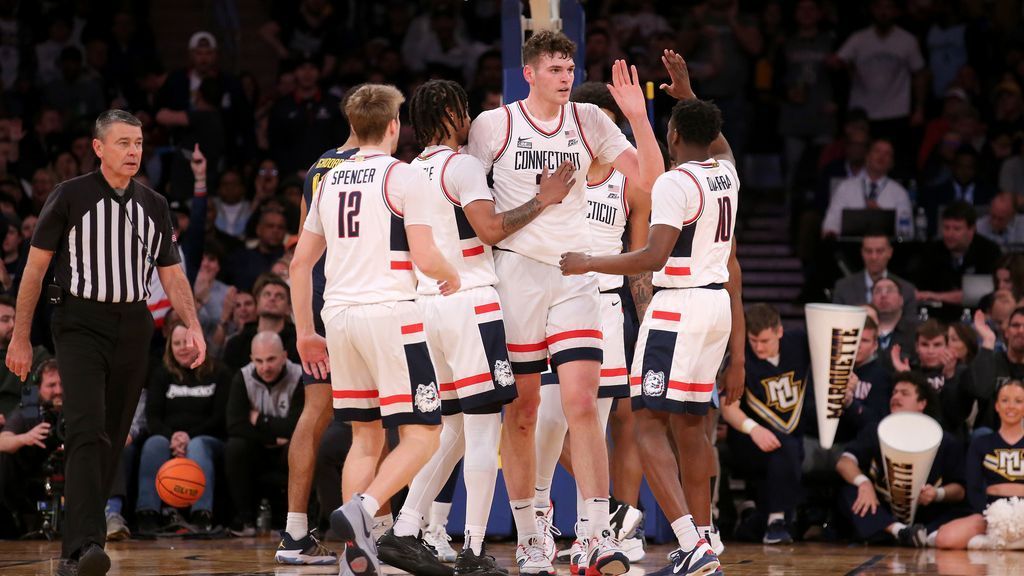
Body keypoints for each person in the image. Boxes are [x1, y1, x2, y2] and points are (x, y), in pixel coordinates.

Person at [464, 30, 663, 576]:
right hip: (517, 274)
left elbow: (653, 179)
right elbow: (463, 196)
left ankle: (595, 534)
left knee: (583, 406)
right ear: (527, 74)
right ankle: (531, 532)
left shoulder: (591, 121)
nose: (565, 76)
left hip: (575, 275)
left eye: (569, 68)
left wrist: (637, 117)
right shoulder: (493, 125)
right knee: (523, 412)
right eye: (554, 69)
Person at [5, 109, 206, 576]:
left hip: (134, 323)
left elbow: (172, 274)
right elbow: (34, 270)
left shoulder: (154, 204)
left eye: (138, 143)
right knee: (84, 426)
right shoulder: (69, 196)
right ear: (99, 148)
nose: (133, 151)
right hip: (78, 321)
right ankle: (81, 548)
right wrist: (19, 336)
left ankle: (84, 540)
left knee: (114, 435)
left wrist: (192, 325)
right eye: (122, 143)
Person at [560, 54, 738, 575]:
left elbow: (652, 257)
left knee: (643, 423)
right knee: (691, 426)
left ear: (675, 133)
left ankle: (687, 541)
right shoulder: (725, 173)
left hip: (679, 306)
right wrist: (686, 92)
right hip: (716, 306)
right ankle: (704, 537)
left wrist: (590, 261)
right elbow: (720, 142)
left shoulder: (675, 183)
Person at [383, 78, 564, 576]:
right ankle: (473, 549)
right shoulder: (461, 167)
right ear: (449, 111)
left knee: (453, 431)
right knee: (485, 434)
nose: (469, 119)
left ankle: (404, 529)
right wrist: (544, 199)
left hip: (428, 305)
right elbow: (489, 229)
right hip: (470, 301)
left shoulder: (407, 172)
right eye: (463, 110)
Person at [290, 83, 460, 576]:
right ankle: (364, 508)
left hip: (338, 318)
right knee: (426, 432)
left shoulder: (330, 181)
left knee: (365, 438)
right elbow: (426, 257)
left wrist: (305, 332)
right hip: (390, 313)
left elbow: (300, 265)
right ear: (393, 126)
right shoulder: (404, 176)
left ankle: (355, 555)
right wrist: (452, 274)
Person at [530, 79, 653, 571]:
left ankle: (591, 532)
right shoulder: (555, 170)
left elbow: (640, 259)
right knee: (548, 422)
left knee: (596, 423)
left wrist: (645, 323)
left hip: (604, 306)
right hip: (551, 301)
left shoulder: (631, 182)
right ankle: (539, 511)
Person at [274, 117, 362, 567]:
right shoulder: (376, 165)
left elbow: (303, 248)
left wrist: (304, 323)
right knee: (382, 419)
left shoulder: (319, 167)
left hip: (320, 297)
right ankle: (380, 531)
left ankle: (293, 532)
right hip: (356, 299)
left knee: (316, 413)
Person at [836, 372, 967, 547]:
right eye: (894, 392)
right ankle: (900, 532)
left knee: (962, 511)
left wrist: (937, 494)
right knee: (849, 492)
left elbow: (960, 491)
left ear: (922, 403)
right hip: (883, 511)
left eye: (904, 393)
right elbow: (844, 462)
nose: (896, 397)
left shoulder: (945, 440)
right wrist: (864, 483)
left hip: (927, 514)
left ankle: (923, 535)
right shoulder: (876, 430)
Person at [720, 304, 806, 545]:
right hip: (747, 438)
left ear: (779, 332)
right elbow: (729, 409)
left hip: (791, 438)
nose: (758, 347)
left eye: (765, 341)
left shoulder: (800, 343)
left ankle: (759, 519)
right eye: (753, 340)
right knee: (787, 445)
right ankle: (776, 521)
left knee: (790, 445)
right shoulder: (739, 358)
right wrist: (753, 429)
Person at [135, 321, 230, 535]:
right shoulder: (161, 374)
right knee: (153, 443)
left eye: (186, 342)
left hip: (208, 439)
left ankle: (201, 514)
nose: (182, 347)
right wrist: (173, 437)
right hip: (169, 437)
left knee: (197, 445)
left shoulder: (220, 373)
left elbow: (220, 418)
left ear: (199, 342)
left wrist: (188, 437)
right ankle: (147, 513)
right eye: (176, 343)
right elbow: (153, 417)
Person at [225, 331, 304, 535]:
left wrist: (259, 419)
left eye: (271, 359)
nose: (265, 367)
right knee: (235, 447)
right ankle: (245, 520)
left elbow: (297, 426)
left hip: (288, 447)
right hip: (258, 448)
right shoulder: (242, 377)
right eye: (259, 361)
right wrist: (270, 437)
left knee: (301, 446)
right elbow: (234, 426)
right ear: (252, 359)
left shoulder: (300, 377)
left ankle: (295, 521)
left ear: (284, 356)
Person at [935, 380, 1024, 549]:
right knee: (945, 538)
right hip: (990, 513)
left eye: (1018, 401)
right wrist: (990, 515)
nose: (1010, 406)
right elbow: (973, 487)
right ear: (997, 406)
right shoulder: (981, 444)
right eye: (1005, 400)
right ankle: (1008, 541)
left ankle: (999, 542)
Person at [0, 359, 63, 537]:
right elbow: (2, 441)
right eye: (51, 385)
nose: (58, 391)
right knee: (5, 457)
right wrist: (26, 437)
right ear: (38, 389)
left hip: (76, 465)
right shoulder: (31, 407)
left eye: (62, 384)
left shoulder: (77, 405)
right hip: (34, 468)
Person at [914, 202, 1002, 307]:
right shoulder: (932, 251)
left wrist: (937, 296)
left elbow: (980, 294)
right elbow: (920, 290)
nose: (950, 234)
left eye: (957, 229)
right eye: (946, 228)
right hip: (937, 313)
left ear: (971, 229)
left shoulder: (989, 251)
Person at [821, 139, 912, 238]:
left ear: (891, 163)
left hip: (884, 248)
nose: (881, 157)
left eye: (887, 154)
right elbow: (831, 222)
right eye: (877, 151)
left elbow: (907, 232)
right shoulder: (846, 187)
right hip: (848, 246)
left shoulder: (899, 192)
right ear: (867, 156)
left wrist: (882, 218)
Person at [222, 274, 298, 369]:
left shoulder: (298, 343)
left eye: (279, 296)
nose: (272, 298)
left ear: (289, 308)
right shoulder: (236, 343)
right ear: (257, 302)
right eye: (267, 294)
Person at [831, 233, 917, 317]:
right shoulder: (843, 287)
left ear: (890, 252)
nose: (874, 257)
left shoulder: (906, 290)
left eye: (879, 251)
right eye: (868, 251)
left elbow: (910, 327)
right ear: (862, 253)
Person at [0, 295, 50, 422]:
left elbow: (30, 407)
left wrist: (10, 420)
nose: (12, 325)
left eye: (15, 319)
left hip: (23, 426)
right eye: (5, 320)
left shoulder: (36, 355)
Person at [872, 277, 919, 354]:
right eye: (878, 291)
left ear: (901, 299)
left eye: (890, 291)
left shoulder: (917, 330)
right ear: (872, 300)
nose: (883, 295)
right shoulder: (863, 330)